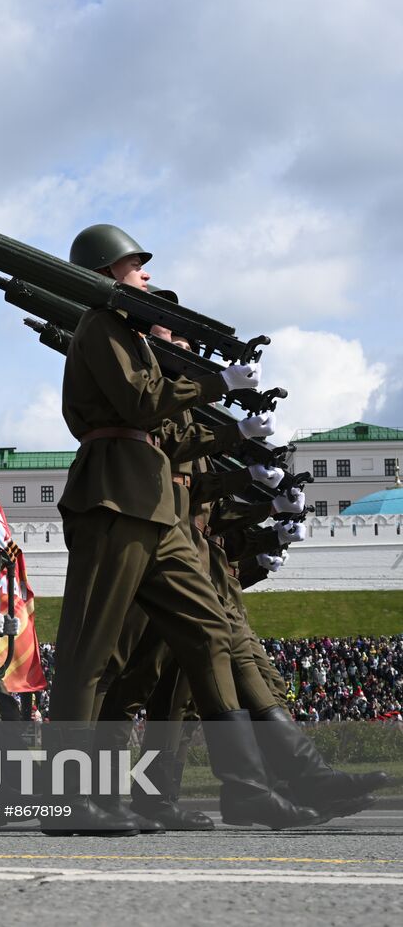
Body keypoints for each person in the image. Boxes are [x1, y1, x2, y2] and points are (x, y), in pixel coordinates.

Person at [52, 223, 316, 831]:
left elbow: (163, 427)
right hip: (114, 494)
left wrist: (230, 427)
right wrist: (215, 383)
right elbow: (142, 405)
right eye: (134, 264)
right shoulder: (102, 325)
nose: (145, 273)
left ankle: (246, 787)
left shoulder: (131, 335)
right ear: (104, 272)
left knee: (207, 632)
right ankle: (70, 798)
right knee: (92, 653)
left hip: (154, 504)